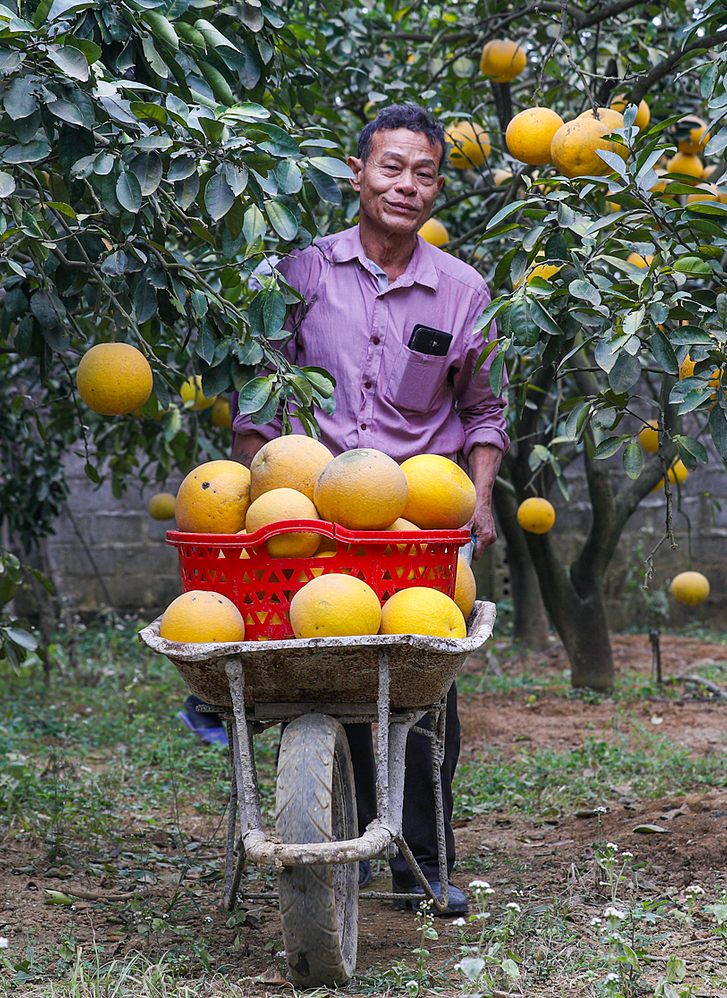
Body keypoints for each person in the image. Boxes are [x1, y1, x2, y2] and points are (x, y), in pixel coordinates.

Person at [178, 102, 507, 916]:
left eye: (424, 172)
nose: (407, 185)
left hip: (418, 520)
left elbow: (485, 413)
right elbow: (256, 398)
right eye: (391, 167)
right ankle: (332, 841)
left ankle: (420, 864)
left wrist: (483, 499)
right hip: (308, 511)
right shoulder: (301, 273)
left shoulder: (464, 292)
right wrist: (259, 495)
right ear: (356, 175)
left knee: (422, 685)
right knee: (323, 664)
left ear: (438, 189)